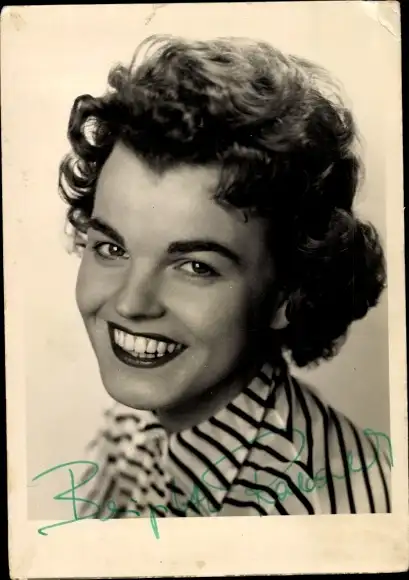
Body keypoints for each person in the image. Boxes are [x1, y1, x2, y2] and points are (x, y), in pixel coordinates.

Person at [58, 34, 391, 520]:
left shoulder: (308, 514)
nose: (131, 303)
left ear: (287, 291)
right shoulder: (134, 424)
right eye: (112, 248)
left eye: (195, 266)